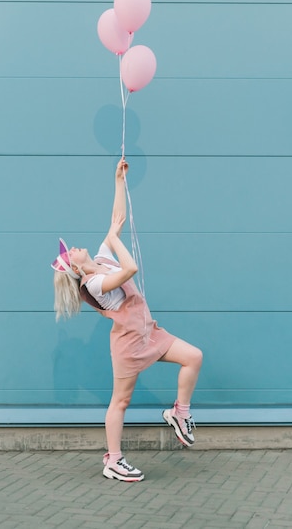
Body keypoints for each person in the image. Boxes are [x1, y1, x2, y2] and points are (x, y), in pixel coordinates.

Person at [51, 158, 203, 482]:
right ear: (75, 269)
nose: (74, 248)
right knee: (120, 400)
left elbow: (116, 220)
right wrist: (116, 240)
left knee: (194, 357)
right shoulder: (92, 283)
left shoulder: (102, 259)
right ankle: (114, 460)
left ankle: (180, 413)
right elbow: (129, 269)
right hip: (128, 346)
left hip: (149, 333)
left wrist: (118, 181)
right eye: (70, 253)